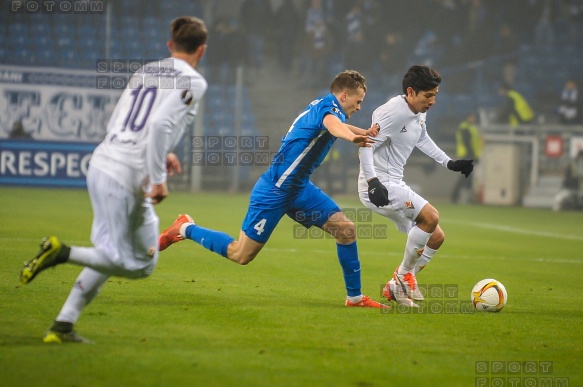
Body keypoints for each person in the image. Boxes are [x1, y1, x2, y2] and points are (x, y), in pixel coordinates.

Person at [19, 16, 209, 343]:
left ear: (169, 45)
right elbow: (160, 125)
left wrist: (158, 154)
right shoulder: (194, 81)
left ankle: (62, 325)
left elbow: (124, 120)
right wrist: (158, 177)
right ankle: (61, 253)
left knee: (108, 253)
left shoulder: (146, 70)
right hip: (129, 177)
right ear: (201, 51)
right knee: (141, 265)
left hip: (103, 163)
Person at [159, 70, 388, 308]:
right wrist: (353, 139)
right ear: (343, 96)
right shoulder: (329, 113)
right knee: (241, 255)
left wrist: (365, 133)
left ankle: (355, 298)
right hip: (274, 191)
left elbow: (337, 125)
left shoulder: (326, 105)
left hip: (299, 189)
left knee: (346, 230)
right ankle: (185, 228)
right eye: (358, 101)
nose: (360, 107)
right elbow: (334, 126)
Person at [358, 65, 474, 307]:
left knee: (436, 237)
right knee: (431, 217)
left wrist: (449, 162)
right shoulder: (392, 112)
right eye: (427, 96)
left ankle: (395, 286)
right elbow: (365, 144)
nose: (432, 101)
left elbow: (422, 137)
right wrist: (372, 182)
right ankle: (401, 280)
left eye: (435, 95)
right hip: (379, 185)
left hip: (393, 183)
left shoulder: (419, 111)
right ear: (410, 92)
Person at [451, 112, 482, 203]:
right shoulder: (465, 128)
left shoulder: (470, 128)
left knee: (466, 176)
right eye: (472, 117)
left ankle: (458, 196)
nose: (473, 119)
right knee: (466, 176)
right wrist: (473, 155)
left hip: (468, 154)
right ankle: (458, 196)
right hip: (466, 155)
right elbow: (467, 143)